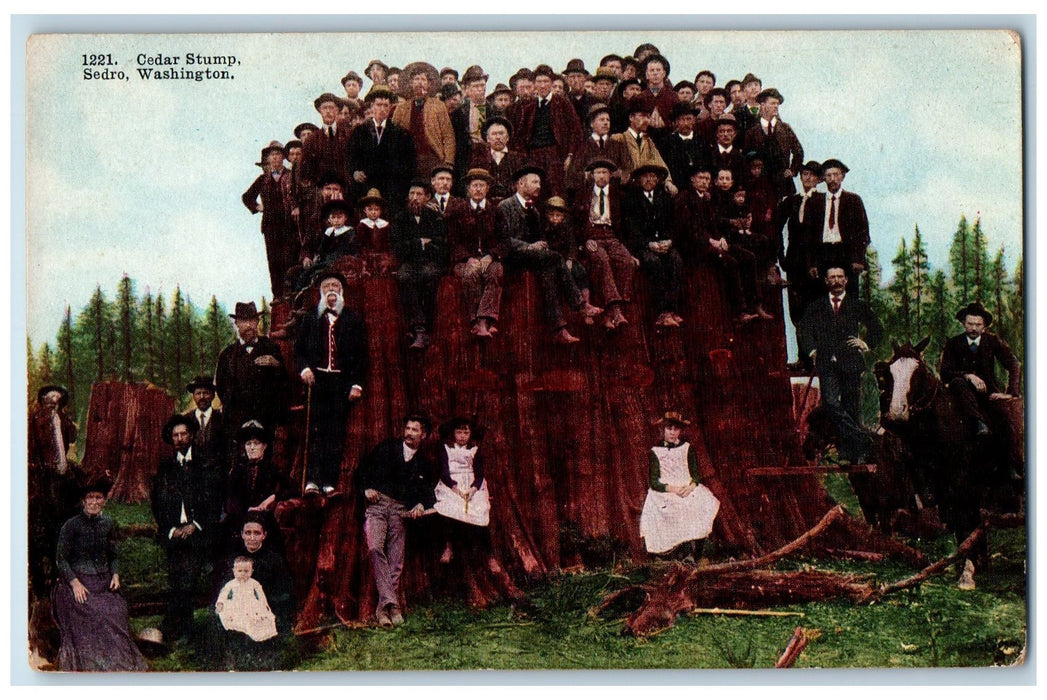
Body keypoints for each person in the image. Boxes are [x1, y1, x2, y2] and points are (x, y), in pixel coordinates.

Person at [50, 476, 147, 672]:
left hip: (102, 582)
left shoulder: (109, 523)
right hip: (77, 583)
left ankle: (115, 661)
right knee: (93, 611)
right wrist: (74, 583)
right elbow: (61, 559)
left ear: (104, 500)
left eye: (99, 498)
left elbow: (114, 555)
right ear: (83, 501)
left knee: (116, 609)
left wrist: (116, 574)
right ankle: (93, 661)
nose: (94, 502)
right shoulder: (71, 526)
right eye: (90, 498)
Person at [500, 164, 601, 344]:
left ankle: (559, 329)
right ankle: (580, 304)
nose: (539, 186)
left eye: (539, 182)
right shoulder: (505, 206)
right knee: (554, 257)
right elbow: (503, 241)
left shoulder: (535, 211)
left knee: (549, 271)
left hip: (532, 259)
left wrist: (539, 246)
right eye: (535, 182)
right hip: (512, 258)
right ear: (521, 184)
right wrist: (530, 247)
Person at [355, 415, 438, 627]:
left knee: (396, 560)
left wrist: (420, 504)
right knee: (374, 548)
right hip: (378, 505)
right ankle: (393, 603)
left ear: (424, 435)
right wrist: (366, 488)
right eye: (408, 428)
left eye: (415, 430)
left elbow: (430, 493)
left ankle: (383, 610)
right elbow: (362, 469)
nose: (409, 433)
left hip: (401, 511)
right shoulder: (387, 447)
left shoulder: (424, 463)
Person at [151, 414, 224, 645]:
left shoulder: (205, 463)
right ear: (171, 439)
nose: (180, 438)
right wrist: (172, 529)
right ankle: (176, 627)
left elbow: (214, 500)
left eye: (183, 434)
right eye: (175, 435)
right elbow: (157, 503)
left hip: (200, 535)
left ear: (191, 435)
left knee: (188, 579)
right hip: (174, 535)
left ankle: (182, 630)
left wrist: (195, 525)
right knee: (176, 579)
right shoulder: (165, 467)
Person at [296, 270, 367, 494]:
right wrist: (305, 369)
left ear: (341, 291)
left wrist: (356, 384)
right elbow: (299, 350)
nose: (331, 291)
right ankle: (312, 481)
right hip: (316, 382)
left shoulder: (353, 318)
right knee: (315, 430)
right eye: (327, 287)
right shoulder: (310, 318)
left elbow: (361, 355)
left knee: (335, 433)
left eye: (335, 286)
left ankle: (329, 481)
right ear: (320, 292)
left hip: (340, 383)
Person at [797, 266, 884, 426]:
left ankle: (850, 448)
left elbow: (877, 327)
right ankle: (858, 436)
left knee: (851, 408)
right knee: (830, 404)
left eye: (839, 277)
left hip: (851, 364)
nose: (836, 281)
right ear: (826, 281)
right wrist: (812, 351)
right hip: (826, 363)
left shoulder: (856, 305)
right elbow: (803, 330)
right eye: (832, 277)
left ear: (846, 280)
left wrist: (865, 343)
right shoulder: (817, 307)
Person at [214, 301, 290, 462]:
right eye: (243, 321)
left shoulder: (271, 348)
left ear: (257, 322)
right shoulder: (227, 355)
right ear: (236, 324)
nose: (248, 325)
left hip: (267, 420)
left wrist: (275, 365)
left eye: (252, 321)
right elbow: (221, 389)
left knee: (268, 465)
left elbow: (284, 382)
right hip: (237, 422)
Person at [639, 412, 720, 560]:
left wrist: (691, 486)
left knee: (700, 503)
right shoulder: (656, 451)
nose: (672, 432)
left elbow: (695, 474)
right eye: (669, 428)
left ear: (680, 431)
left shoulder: (687, 448)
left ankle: (696, 554)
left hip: (686, 486)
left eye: (676, 429)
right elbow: (654, 482)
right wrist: (673, 489)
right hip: (667, 490)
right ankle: (679, 551)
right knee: (673, 508)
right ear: (663, 429)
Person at [28, 384, 81, 599]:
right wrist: (39, 467)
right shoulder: (35, 420)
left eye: (57, 397)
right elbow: (31, 448)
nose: (53, 400)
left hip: (62, 476)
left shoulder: (63, 419)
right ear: (42, 400)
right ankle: (45, 585)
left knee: (66, 518)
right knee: (45, 525)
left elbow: (72, 439)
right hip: (44, 476)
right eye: (49, 397)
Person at [939, 301, 1021, 437]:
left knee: (1006, 424)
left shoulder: (992, 341)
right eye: (970, 324)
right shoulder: (953, 343)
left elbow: (1014, 364)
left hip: (987, 393)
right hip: (960, 394)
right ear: (963, 323)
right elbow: (944, 373)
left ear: (984, 327)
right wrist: (968, 376)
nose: (974, 329)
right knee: (958, 384)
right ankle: (978, 422)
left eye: (978, 325)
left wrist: (1011, 393)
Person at [572, 159, 637, 330]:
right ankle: (616, 311)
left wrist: (630, 249)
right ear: (592, 176)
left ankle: (612, 311)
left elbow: (627, 225)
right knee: (602, 260)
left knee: (627, 262)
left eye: (604, 172)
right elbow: (575, 223)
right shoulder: (582, 194)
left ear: (610, 175)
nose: (601, 176)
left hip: (612, 236)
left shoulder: (619, 196)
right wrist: (585, 241)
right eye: (598, 173)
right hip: (593, 237)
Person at [445, 168, 509, 338]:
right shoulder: (458, 210)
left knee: (496, 271)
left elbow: (504, 241)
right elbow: (452, 240)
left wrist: (491, 255)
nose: (478, 189)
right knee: (472, 272)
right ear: (468, 189)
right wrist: (468, 258)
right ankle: (475, 321)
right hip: (465, 261)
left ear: (487, 188)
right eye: (475, 185)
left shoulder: (496, 211)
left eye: (482, 185)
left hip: (489, 259)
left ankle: (484, 320)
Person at [509, 64, 583, 197]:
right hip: (534, 156)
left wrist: (570, 155)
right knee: (536, 194)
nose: (542, 85)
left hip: (555, 155)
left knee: (556, 193)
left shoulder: (562, 103)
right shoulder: (530, 107)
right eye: (539, 82)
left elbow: (576, 130)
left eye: (546, 81)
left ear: (551, 83)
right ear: (534, 84)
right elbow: (520, 136)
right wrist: (525, 158)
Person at [392, 180, 448, 350]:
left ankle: (424, 328)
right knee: (404, 276)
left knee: (429, 275)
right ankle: (418, 328)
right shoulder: (399, 218)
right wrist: (421, 243)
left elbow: (442, 247)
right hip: (409, 262)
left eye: (419, 194)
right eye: (411, 194)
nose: (414, 198)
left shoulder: (435, 218)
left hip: (430, 262)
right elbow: (398, 248)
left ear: (428, 197)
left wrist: (417, 245)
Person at [624, 164, 682, 327]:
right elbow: (631, 230)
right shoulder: (631, 199)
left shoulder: (664, 197)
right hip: (644, 246)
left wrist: (669, 241)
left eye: (652, 176)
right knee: (654, 263)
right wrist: (649, 244)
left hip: (664, 243)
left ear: (658, 179)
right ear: (639, 179)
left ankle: (672, 309)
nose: (649, 180)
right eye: (645, 176)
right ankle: (661, 312)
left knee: (676, 260)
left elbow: (673, 224)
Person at [803, 158, 870, 296]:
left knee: (849, 298)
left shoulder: (853, 201)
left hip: (846, 254)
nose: (832, 179)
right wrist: (811, 263)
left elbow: (863, 233)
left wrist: (858, 259)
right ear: (824, 178)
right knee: (821, 297)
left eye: (836, 175)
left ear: (842, 176)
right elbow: (808, 235)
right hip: (823, 254)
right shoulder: (814, 202)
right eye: (828, 175)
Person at [242, 141, 298, 297]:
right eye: (272, 155)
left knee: (291, 260)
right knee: (274, 263)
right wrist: (259, 207)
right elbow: (246, 197)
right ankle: (278, 297)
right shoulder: (263, 179)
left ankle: (291, 296)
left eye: (278, 154)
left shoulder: (291, 175)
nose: (275, 158)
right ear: (268, 158)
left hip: (289, 226)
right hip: (270, 227)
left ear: (283, 157)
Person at [347, 86, 417, 209]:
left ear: (390, 108)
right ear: (372, 106)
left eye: (386, 106)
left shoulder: (401, 133)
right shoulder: (359, 131)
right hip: (365, 188)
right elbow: (350, 157)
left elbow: (409, 163)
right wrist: (355, 172)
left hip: (391, 191)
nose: (382, 109)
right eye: (379, 105)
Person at [433, 417, 491, 563]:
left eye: (466, 432)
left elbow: (479, 474)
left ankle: (489, 554)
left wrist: (473, 489)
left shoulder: (474, 450)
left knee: (481, 507)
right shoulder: (446, 448)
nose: (462, 436)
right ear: (453, 433)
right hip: (451, 484)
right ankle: (448, 546)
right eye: (459, 432)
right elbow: (444, 471)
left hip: (471, 485)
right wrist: (454, 488)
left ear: (471, 434)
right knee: (449, 507)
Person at [225, 420, 290, 542]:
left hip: (265, 519)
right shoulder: (237, 471)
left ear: (264, 446)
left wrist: (271, 499)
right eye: (248, 444)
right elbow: (229, 500)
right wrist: (246, 510)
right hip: (240, 519)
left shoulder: (273, 469)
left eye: (256, 443)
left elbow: (291, 489)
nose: (252, 448)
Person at [392, 64, 456, 177]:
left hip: (433, 158)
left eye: (423, 79)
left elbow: (448, 136)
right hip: (408, 160)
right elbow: (392, 136)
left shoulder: (438, 106)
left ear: (428, 84)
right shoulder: (401, 108)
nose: (420, 83)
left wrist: (448, 162)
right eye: (416, 79)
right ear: (411, 84)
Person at [743, 88, 804, 199]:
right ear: (762, 105)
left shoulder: (785, 128)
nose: (776, 106)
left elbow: (798, 152)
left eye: (777, 104)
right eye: (772, 103)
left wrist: (793, 170)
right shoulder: (752, 131)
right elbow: (746, 157)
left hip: (784, 184)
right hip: (760, 185)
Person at [215, 557, 278, 645]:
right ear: (234, 571)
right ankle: (240, 635)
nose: (243, 574)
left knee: (259, 620)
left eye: (246, 571)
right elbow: (223, 593)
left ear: (251, 571)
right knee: (238, 618)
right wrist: (220, 603)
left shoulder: (254, 583)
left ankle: (257, 638)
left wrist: (264, 605)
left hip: (251, 604)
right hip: (237, 604)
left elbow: (261, 595)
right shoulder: (231, 584)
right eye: (240, 571)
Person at [183, 375, 225, 463]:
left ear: (213, 396)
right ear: (194, 396)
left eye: (206, 393)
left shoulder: (222, 419)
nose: (202, 397)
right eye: (198, 393)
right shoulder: (186, 420)